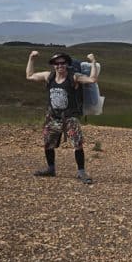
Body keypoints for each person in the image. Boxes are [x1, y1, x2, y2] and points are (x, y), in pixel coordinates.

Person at [26, 50, 99, 184]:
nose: (60, 66)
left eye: (63, 63)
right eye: (57, 63)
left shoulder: (74, 77)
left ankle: (81, 172)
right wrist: (31, 58)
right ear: (53, 65)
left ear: (67, 64)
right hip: (53, 116)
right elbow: (29, 75)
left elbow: (93, 79)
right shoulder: (49, 76)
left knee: (77, 144)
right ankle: (51, 168)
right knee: (48, 143)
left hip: (70, 117)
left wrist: (93, 62)